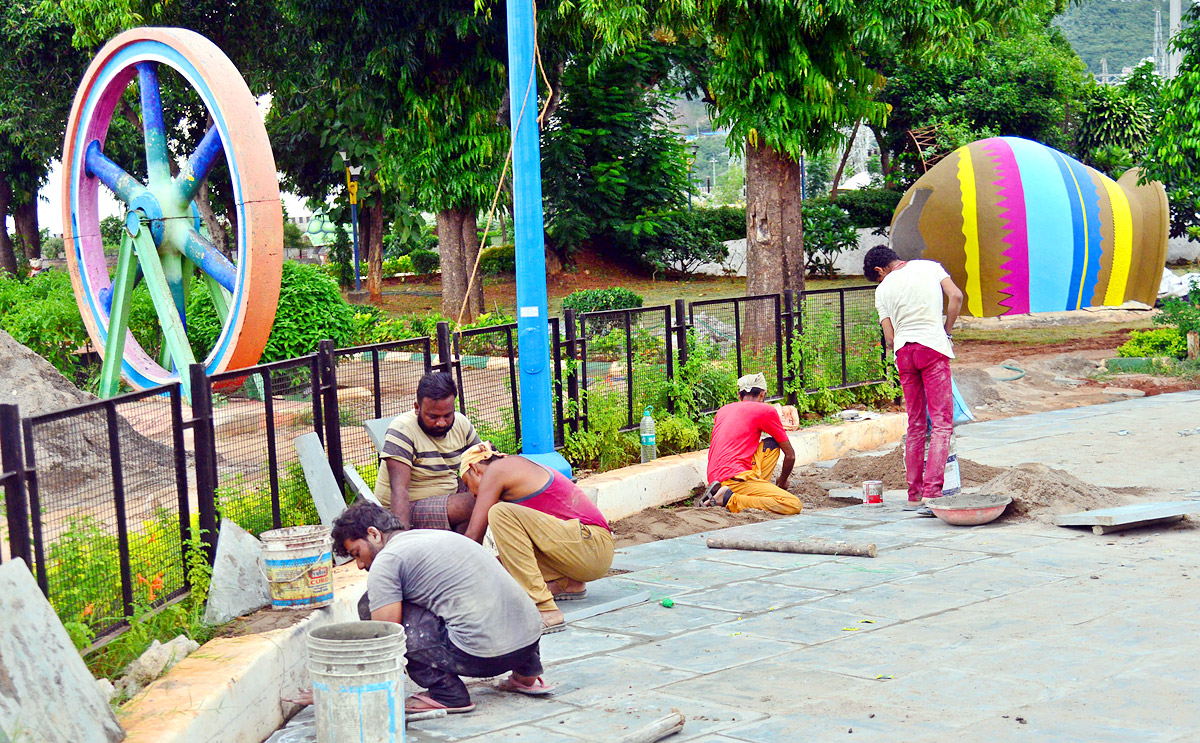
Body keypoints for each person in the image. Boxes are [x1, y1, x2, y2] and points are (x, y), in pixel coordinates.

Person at [332, 503, 554, 715]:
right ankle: (527, 674)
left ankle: (447, 694)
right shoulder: (435, 536)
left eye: (357, 553)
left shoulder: (387, 560)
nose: (360, 565)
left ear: (374, 534)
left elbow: (386, 636)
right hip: (529, 641)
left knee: (370, 605)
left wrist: (344, 688)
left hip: (484, 657)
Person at [458, 442, 614, 634]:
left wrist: (449, 579)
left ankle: (546, 610)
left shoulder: (497, 470)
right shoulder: (514, 468)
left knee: (500, 513)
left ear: (475, 469)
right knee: (495, 571)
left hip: (593, 546)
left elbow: (474, 537)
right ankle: (568, 584)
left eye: (467, 484)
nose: (472, 495)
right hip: (585, 555)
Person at [863, 245, 963, 514]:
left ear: (879, 270)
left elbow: (890, 337)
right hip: (932, 347)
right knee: (942, 424)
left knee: (916, 424)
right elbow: (955, 296)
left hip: (905, 353)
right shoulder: (930, 266)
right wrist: (947, 331)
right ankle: (933, 493)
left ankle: (914, 496)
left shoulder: (882, 290)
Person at [373, 372, 482, 531]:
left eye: (447, 415)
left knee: (491, 493)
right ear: (417, 408)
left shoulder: (461, 424)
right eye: (433, 416)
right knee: (473, 504)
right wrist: (400, 540)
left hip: (445, 497)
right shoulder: (403, 429)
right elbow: (399, 491)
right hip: (402, 510)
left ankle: (462, 550)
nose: (441, 423)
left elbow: (485, 461)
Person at [697, 372, 801, 514]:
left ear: (739, 395)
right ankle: (728, 499)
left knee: (771, 445)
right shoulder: (765, 410)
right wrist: (782, 482)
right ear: (763, 394)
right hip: (735, 477)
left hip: (715, 476)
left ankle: (740, 490)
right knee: (793, 504)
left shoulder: (723, 410)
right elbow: (790, 455)